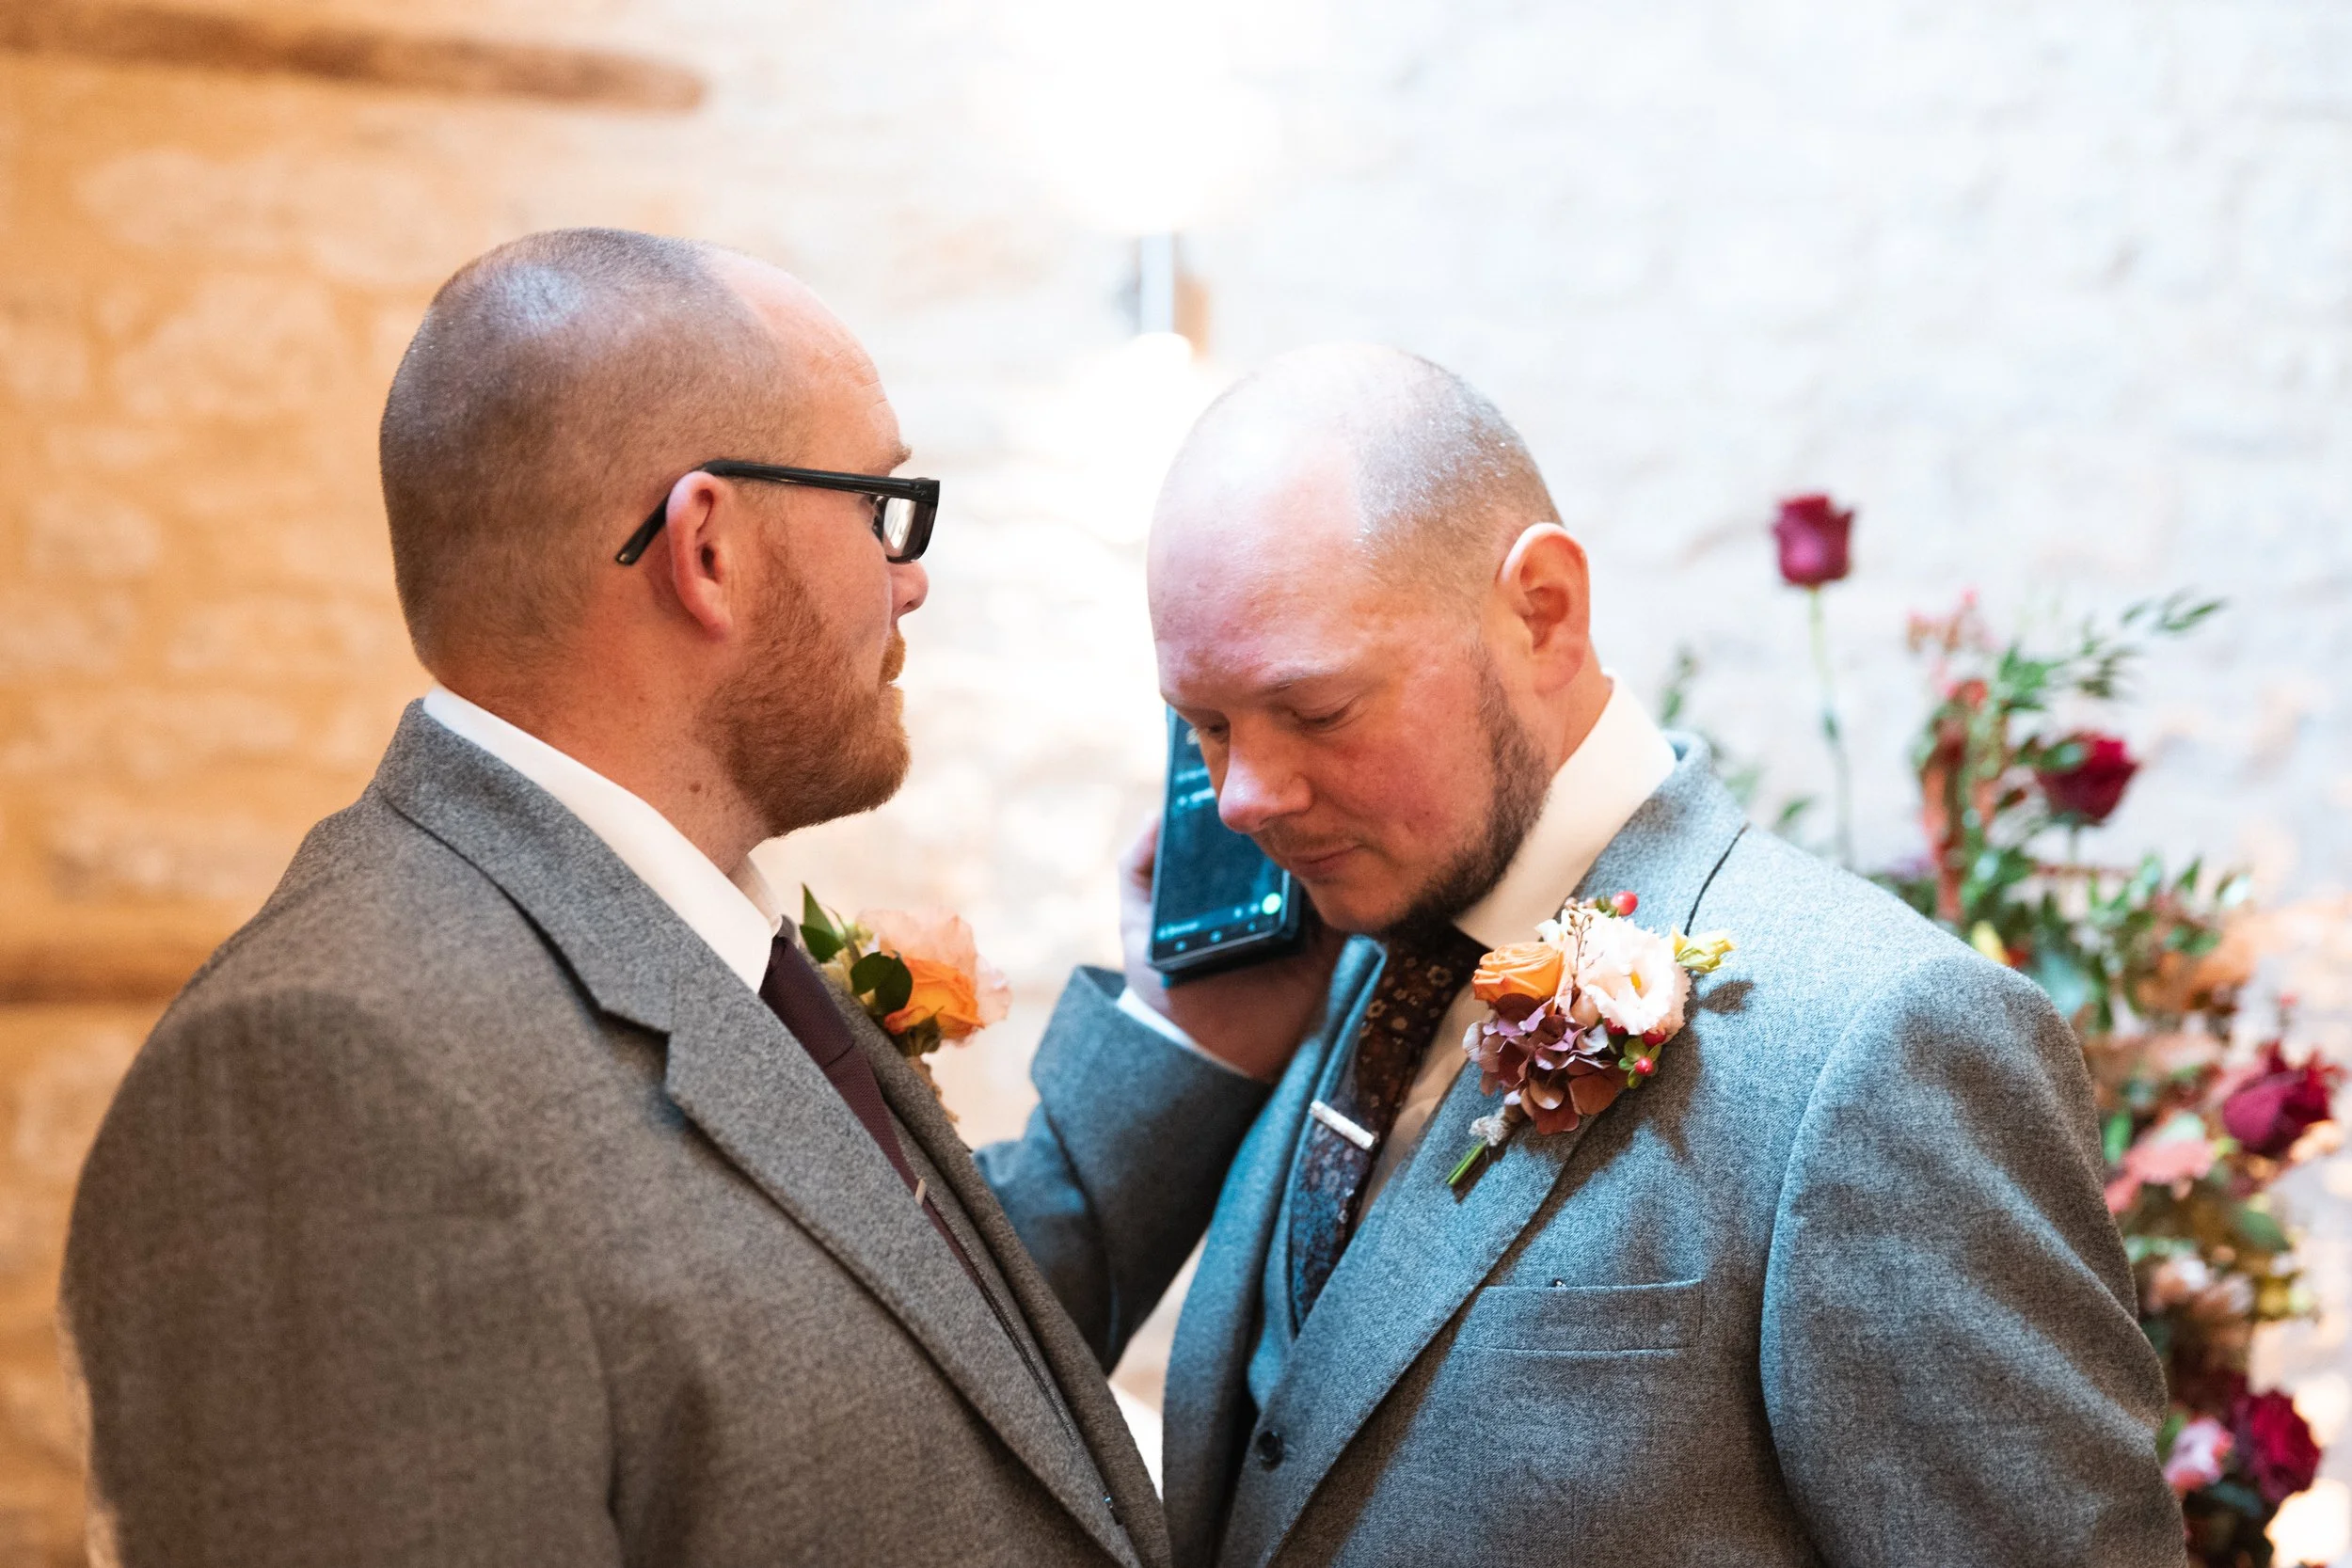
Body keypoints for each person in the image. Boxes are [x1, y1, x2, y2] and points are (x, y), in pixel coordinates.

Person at [58, 228, 1309, 1568]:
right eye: (879, 506)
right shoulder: (331, 1071)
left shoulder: (672, 919)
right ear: (705, 547)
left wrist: (1192, 1038)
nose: (914, 575)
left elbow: (912, 1362)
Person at [1031, 343, 2183, 1566]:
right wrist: (1187, 1040)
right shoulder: (1327, 950)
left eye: (1316, 710)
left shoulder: (1881, 1040)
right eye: (1203, 722)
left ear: (1544, 615)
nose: (1247, 795)